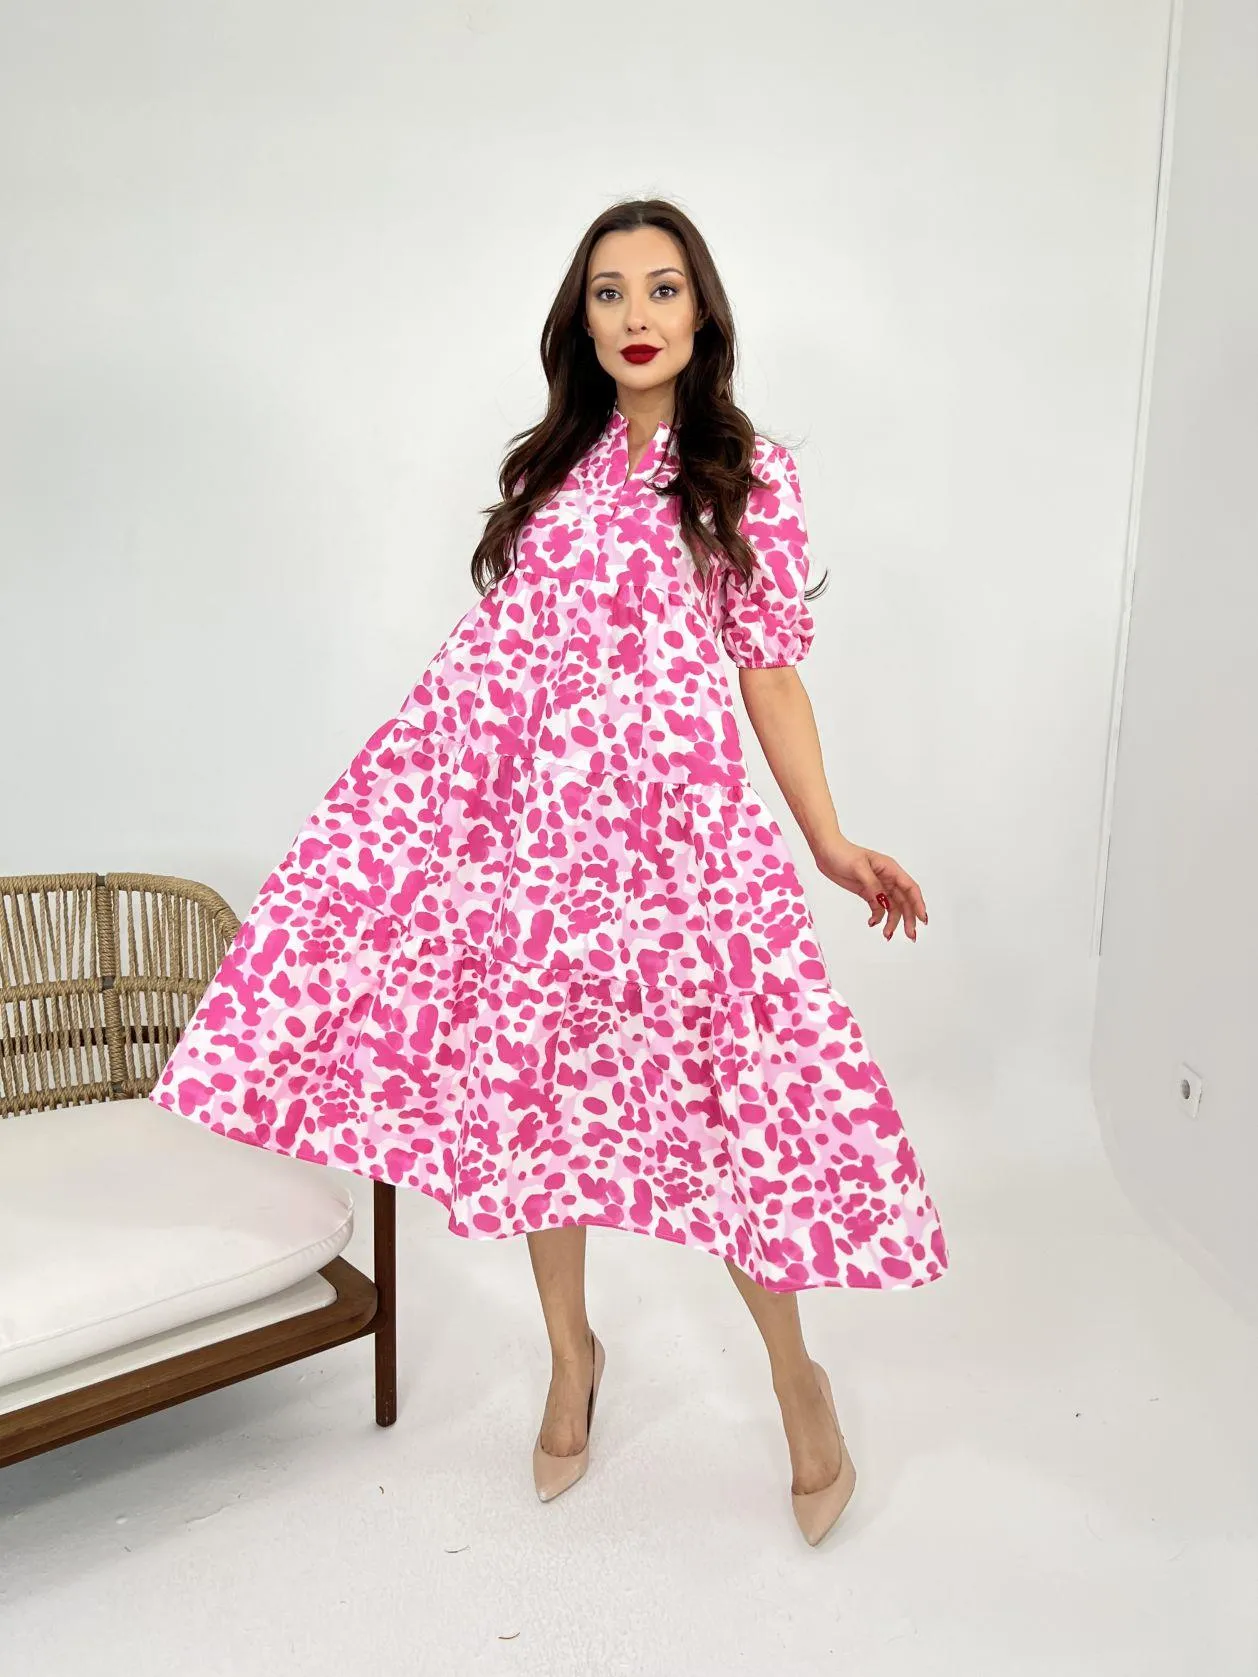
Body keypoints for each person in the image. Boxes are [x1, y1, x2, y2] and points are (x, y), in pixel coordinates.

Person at [148, 197, 949, 1548]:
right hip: (541, 844)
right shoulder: (552, 467)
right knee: (543, 1104)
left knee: (726, 1104)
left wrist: (826, 838)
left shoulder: (743, 471)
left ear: (702, 313)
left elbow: (767, 669)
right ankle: (571, 1357)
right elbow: (502, 667)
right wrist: (417, 818)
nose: (636, 315)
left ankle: (794, 1380)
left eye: (662, 288)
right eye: (608, 292)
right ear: (581, 321)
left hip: (681, 843)